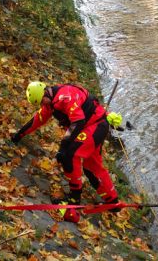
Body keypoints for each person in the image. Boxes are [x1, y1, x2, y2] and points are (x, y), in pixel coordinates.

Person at [12, 82, 119, 223]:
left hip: (96, 125)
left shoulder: (64, 96)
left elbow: (78, 121)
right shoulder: (50, 102)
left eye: (41, 102)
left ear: (45, 93)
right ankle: (112, 201)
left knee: (69, 155)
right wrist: (19, 135)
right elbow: (38, 119)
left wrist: (63, 147)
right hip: (92, 126)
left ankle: (75, 197)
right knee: (92, 167)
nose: (42, 106)